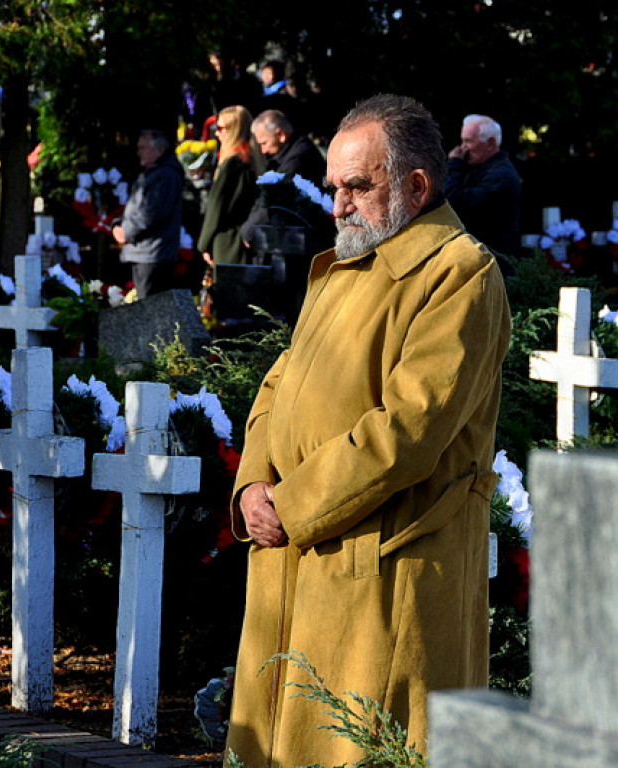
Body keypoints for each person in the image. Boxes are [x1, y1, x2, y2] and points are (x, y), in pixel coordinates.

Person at [224, 93, 511, 768]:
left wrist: (289, 507)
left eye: (358, 185)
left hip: (382, 573)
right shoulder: (343, 267)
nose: (338, 205)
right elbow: (278, 384)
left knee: (361, 746)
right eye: (334, 186)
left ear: (417, 185)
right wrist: (251, 488)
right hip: (293, 559)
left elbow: (408, 430)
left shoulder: (460, 275)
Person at [111, 129, 184, 299]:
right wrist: (118, 224)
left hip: (153, 253)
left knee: (150, 307)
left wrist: (125, 232)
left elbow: (150, 213)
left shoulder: (165, 175)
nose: (139, 152)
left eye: (143, 148)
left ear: (158, 150)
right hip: (146, 252)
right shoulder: (154, 173)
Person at [239, 109, 326, 249]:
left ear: (280, 135)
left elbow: (273, 195)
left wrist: (249, 231)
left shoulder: (299, 157)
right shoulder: (286, 154)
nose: (263, 151)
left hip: (305, 239)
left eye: (264, 143)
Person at [445, 114, 522, 261]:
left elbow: (454, 201)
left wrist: (454, 165)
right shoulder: (479, 169)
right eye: (462, 141)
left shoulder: (501, 175)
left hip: (493, 259)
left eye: (468, 141)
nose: (463, 148)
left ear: (491, 143)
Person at [197, 105, 258, 265]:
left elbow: (216, 207)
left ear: (233, 130)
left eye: (220, 128)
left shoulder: (232, 164)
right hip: (243, 239)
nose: (216, 133)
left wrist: (203, 244)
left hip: (227, 241)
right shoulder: (252, 158)